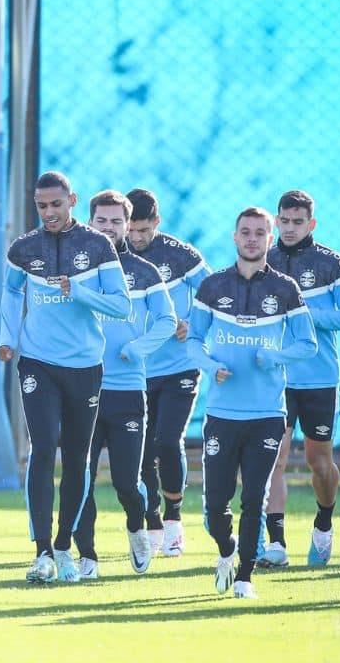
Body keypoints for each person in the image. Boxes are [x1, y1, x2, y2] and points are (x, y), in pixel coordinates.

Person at [0, 171, 130, 584]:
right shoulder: (24, 248)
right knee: (42, 449)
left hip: (85, 366)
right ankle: (41, 554)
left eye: (56, 204)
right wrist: (8, 339)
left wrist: (80, 292)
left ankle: (63, 546)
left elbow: (121, 306)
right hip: (37, 362)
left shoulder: (98, 245)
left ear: (72, 200)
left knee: (77, 459)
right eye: (41, 206)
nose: (49, 212)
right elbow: (12, 293)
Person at [185, 206, 316, 599]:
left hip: (266, 415)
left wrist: (275, 357)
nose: (252, 238)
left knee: (254, 497)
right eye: (246, 232)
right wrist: (210, 366)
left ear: (270, 239)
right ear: (235, 236)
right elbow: (193, 342)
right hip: (222, 414)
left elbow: (307, 344)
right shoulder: (212, 286)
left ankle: (244, 577)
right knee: (214, 508)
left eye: (261, 232)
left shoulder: (285, 289)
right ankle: (226, 551)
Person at [258, 190, 340, 568]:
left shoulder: (331, 263)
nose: (288, 228)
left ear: (311, 224)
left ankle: (323, 525)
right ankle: (276, 544)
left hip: (319, 379)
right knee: (274, 460)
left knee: (319, 463)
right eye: (283, 221)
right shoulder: (262, 261)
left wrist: (306, 314)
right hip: (275, 379)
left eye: (297, 222)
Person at [74, 190, 175, 578]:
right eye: (102, 221)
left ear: (127, 225)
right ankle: (87, 556)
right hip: (82, 387)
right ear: (91, 222)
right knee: (80, 478)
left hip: (128, 390)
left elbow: (166, 320)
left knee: (125, 484)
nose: (109, 228)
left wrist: (138, 347)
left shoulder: (145, 273)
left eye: (117, 222)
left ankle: (137, 526)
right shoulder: (78, 267)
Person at [125, 188, 211, 556]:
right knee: (141, 450)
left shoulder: (181, 255)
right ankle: (153, 520)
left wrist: (191, 321)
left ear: (156, 223)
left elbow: (215, 292)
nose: (136, 237)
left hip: (180, 366)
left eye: (143, 230)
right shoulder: (113, 255)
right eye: (131, 229)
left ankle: (175, 519)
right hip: (135, 371)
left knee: (167, 439)